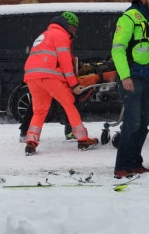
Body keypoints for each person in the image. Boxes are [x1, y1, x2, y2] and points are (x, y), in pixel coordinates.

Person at [22, 12, 98, 154]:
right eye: (74, 28)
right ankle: (83, 140)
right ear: (69, 25)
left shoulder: (44, 35)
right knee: (69, 104)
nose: (75, 31)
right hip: (50, 77)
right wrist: (74, 85)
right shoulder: (61, 35)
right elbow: (65, 63)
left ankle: (31, 142)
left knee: (39, 111)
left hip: (32, 77)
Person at [112, 0, 149, 178]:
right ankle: (121, 166)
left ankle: (135, 162)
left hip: (147, 78)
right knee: (132, 123)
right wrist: (125, 76)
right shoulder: (129, 18)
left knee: (143, 123)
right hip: (132, 78)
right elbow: (118, 49)